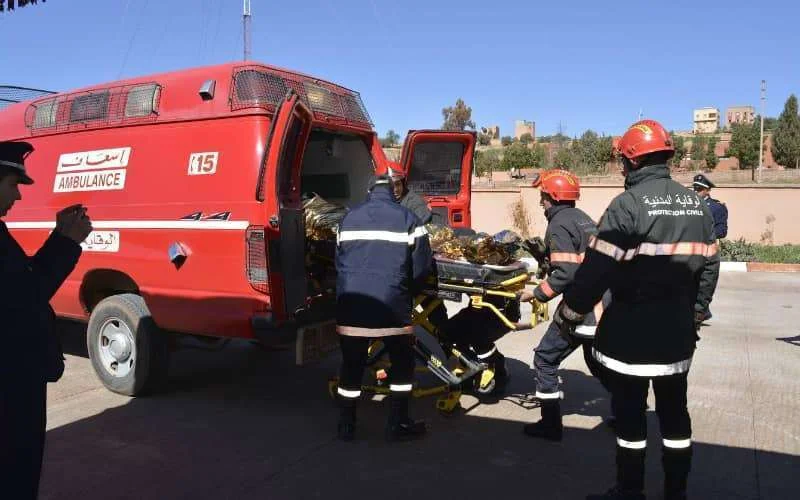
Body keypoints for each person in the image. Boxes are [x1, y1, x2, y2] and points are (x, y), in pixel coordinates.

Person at [554, 120, 720, 500]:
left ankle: (631, 491)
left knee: (631, 421)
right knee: (675, 416)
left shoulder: (627, 206)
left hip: (630, 338)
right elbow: (710, 267)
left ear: (629, 162)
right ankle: (676, 492)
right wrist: (695, 312)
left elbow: (596, 271)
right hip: (677, 338)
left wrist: (569, 313)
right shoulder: (697, 204)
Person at [0, 140, 92, 499]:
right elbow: (24, 297)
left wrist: (60, 238)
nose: (18, 198)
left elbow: (22, 283)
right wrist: (67, 242)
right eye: (12, 185)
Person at [334, 174, 433, 442]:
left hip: (351, 305)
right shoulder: (408, 219)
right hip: (392, 307)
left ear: (368, 192)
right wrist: (406, 291)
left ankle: (346, 424)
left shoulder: (347, 219)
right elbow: (422, 267)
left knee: (352, 364)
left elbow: (339, 262)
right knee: (402, 364)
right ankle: (398, 423)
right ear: (393, 192)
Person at [519, 169, 611, 441]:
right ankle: (629, 410)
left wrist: (536, 294)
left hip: (581, 310)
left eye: (543, 196)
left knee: (545, 359)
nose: (541, 202)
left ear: (551, 197)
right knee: (597, 364)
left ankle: (550, 425)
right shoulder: (583, 219)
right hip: (602, 307)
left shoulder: (558, 224)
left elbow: (566, 273)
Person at [387, 161, 440, 225]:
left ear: (403, 184)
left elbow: (419, 220)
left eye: (397, 184)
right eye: (391, 185)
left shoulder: (414, 202)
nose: (395, 189)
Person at [692, 173, 728, 239]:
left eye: (699, 189)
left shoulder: (717, 207)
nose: (696, 191)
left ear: (708, 191)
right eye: (694, 188)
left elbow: (721, 231)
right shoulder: (687, 205)